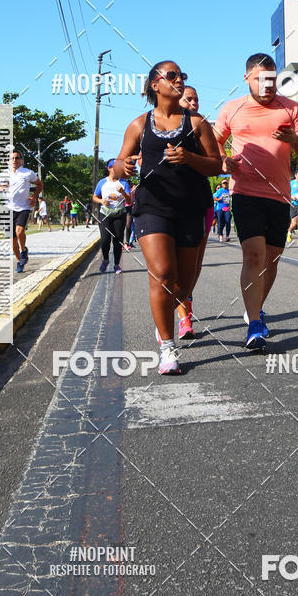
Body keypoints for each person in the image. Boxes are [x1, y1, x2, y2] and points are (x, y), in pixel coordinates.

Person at [114, 61, 221, 375]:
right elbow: (119, 163)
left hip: (191, 207)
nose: (178, 80)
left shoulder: (197, 123)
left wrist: (188, 157)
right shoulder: (139, 125)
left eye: (181, 76)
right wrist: (127, 168)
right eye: (171, 75)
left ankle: (167, 318)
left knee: (182, 285)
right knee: (162, 274)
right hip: (152, 207)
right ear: (154, 85)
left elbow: (216, 165)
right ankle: (167, 346)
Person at [214, 53, 298, 350]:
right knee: (254, 256)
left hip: (280, 195)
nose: (267, 86)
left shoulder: (291, 108)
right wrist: (223, 162)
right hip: (245, 192)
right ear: (247, 79)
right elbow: (214, 141)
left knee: (271, 260)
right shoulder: (232, 109)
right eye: (260, 79)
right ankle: (255, 324)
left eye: (272, 80)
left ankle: (253, 307)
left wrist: (292, 139)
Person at [174, 84, 217, 338]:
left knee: (194, 266)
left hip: (200, 200)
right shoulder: (155, 126)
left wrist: (226, 163)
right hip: (167, 204)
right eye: (188, 99)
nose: (194, 103)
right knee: (173, 266)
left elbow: (216, 160)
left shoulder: (201, 125)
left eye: (197, 99)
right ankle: (182, 318)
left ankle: (185, 306)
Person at [0, 150, 42, 274]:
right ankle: (20, 261)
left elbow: (39, 184)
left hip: (24, 207)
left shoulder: (28, 173)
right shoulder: (3, 175)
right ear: (8, 161)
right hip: (8, 208)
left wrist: (34, 196)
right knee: (12, 240)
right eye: (12, 158)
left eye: (17, 158)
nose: (14, 160)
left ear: (21, 160)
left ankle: (23, 250)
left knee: (19, 232)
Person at [93, 160, 130, 274]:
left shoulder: (123, 183)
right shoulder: (102, 182)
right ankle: (105, 259)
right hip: (105, 214)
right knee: (105, 240)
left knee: (117, 240)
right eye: (114, 167)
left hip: (119, 215)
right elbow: (94, 197)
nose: (116, 169)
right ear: (109, 168)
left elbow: (130, 200)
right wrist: (101, 201)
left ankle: (117, 265)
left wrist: (123, 192)